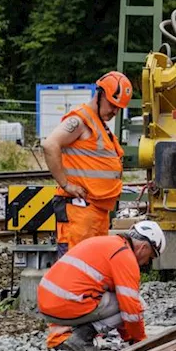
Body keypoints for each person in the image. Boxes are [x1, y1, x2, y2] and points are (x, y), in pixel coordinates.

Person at [39, 221, 166, 351]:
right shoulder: (124, 256)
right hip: (68, 303)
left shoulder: (109, 243)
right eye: (151, 257)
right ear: (144, 247)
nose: (147, 262)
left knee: (116, 298)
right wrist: (140, 341)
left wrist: (128, 337)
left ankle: (61, 339)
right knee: (137, 303)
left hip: (48, 303)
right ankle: (81, 338)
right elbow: (130, 308)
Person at [41, 71, 132, 258]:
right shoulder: (80, 120)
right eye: (112, 105)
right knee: (75, 269)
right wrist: (66, 184)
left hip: (96, 214)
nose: (115, 111)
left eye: (119, 108)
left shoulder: (99, 124)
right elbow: (50, 144)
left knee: (92, 270)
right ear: (100, 95)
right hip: (79, 214)